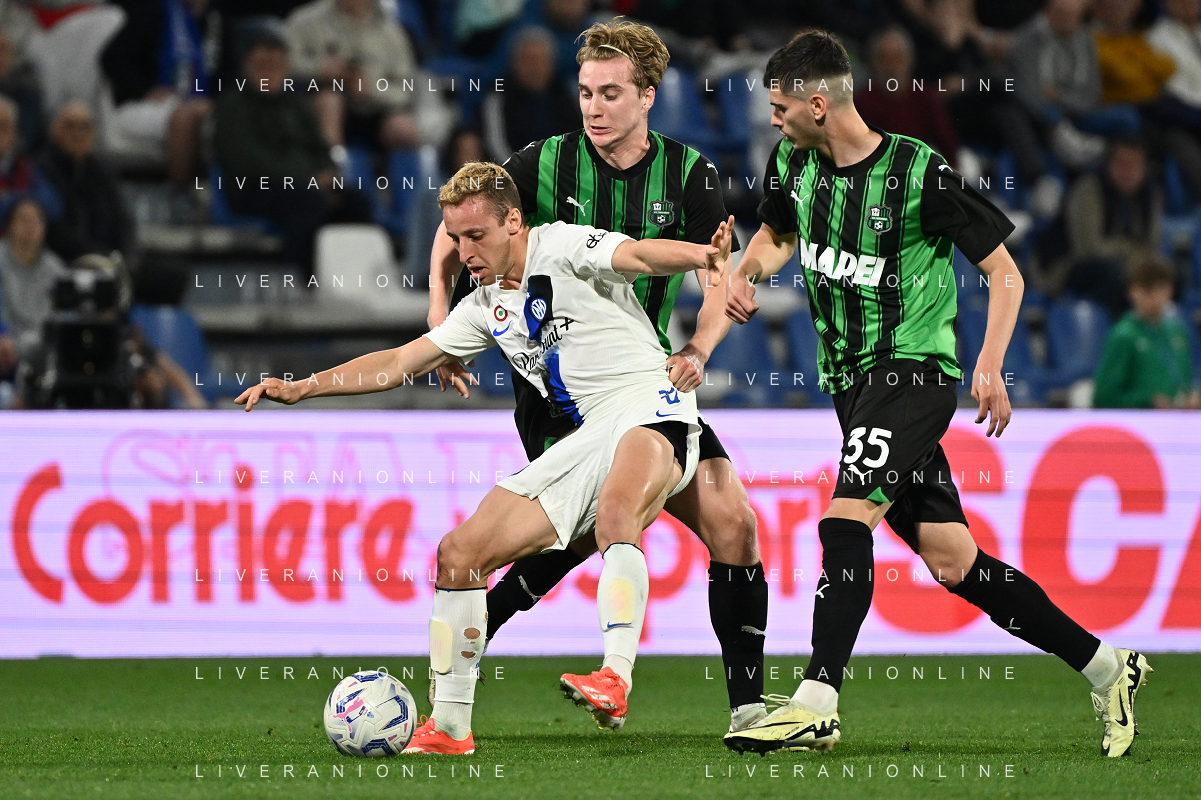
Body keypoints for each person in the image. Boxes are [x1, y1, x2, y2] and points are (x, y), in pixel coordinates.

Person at [721, 30, 1150, 759]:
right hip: (851, 384)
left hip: (910, 375)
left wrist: (990, 362)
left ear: (818, 105)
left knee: (844, 523)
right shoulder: (791, 161)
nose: (771, 119)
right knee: (955, 561)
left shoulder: (917, 172)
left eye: (780, 107)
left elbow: (1004, 272)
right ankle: (1108, 667)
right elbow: (777, 235)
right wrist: (745, 271)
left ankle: (816, 703)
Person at [237, 160, 733, 754]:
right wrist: (304, 387)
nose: (465, 251)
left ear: (514, 222)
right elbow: (398, 362)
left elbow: (640, 256)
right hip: (585, 438)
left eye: (477, 235)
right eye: (455, 237)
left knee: (616, 512)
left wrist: (701, 255)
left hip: (651, 405)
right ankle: (450, 727)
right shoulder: (483, 308)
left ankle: (615, 676)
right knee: (459, 554)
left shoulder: (561, 245)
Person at [427, 18, 769, 735]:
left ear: (647, 96)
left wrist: (700, 348)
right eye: (585, 92)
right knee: (584, 530)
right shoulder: (543, 162)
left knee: (733, 525)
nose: (594, 107)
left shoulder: (690, 174)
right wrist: (439, 312)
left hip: (644, 380)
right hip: (557, 391)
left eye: (611, 93)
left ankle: (747, 711)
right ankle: (480, 650)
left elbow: (714, 274)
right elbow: (458, 227)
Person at [212, 27, 373, 276]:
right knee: (307, 201)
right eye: (262, 66)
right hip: (255, 188)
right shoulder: (233, 106)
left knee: (354, 201)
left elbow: (321, 150)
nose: (269, 72)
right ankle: (299, 276)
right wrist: (307, 178)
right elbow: (246, 162)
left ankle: (354, 276)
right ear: (246, 67)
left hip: (304, 184)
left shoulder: (296, 105)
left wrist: (327, 175)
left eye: (276, 66)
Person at [284, 0, 420, 159]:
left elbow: (405, 90)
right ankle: (332, 165)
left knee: (403, 128)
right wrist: (319, 69)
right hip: (320, 103)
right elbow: (282, 62)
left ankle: (395, 172)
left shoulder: (392, 32)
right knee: (329, 101)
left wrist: (371, 89)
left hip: (375, 109)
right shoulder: (306, 20)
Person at [100, 0, 214, 183]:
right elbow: (111, 58)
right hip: (141, 104)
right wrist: (145, 90)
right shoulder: (153, 10)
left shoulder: (213, 20)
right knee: (185, 117)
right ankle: (181, 191)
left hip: (194, 101)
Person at [1093, 254, 1200, 408]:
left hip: (1178, 418)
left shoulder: (1178, 331)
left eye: (1161, 288)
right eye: (1147, 289)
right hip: (1141, 420)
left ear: (1170, 290)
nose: (1155, 296)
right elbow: (1103, 396)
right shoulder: (1123, 336)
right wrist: (1146, 401)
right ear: (1131, 292)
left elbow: (1189, 378)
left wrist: (1193, 394)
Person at [37, 100, 136, 262]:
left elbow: (122, 218)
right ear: (55, 130)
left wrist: (129, 256)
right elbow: (55, 230)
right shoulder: (42, 170)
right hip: (65, 260)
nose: (78, 133)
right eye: (70, 126)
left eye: (85, 126)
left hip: (109, 257)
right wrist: (100, 256)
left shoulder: (101, 170)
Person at [480, 26, 579, 161]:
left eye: (540, 61)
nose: (534, 68)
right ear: (515, 63)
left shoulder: (567, 95)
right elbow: (496, 146)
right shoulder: (498, 97)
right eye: (528, 60)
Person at [0, 198, 66, 376]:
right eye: (23, 220)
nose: (30, 226)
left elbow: (61, 318)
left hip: (42, 352)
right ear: (10, 225)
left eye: (36, 221)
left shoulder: (56, 269)